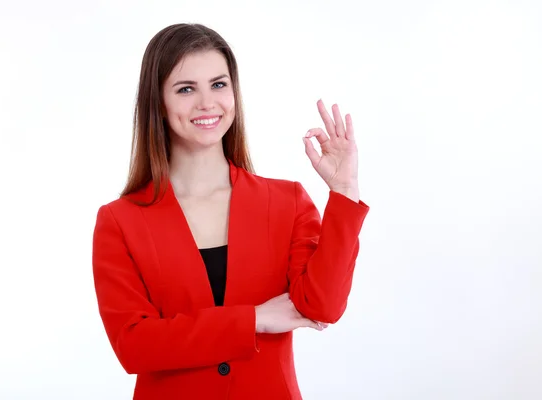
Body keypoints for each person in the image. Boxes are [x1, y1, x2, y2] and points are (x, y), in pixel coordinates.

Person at [91, 23, 370, 400]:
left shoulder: (286, 201)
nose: (207, 102)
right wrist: (255, 319)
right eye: (186, 89)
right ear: (158, 101)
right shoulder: (120, 221)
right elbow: (135, 345)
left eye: (219, 85)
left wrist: (344, 191)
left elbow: (322, 306)